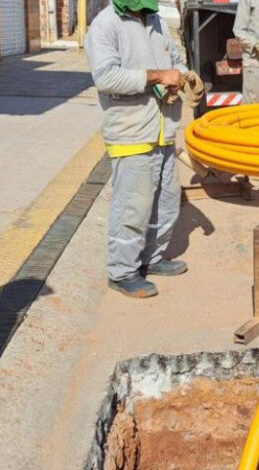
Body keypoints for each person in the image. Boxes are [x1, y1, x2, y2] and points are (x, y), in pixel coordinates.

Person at [85, 0, 202, 298]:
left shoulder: (155, 21)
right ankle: (123, 272)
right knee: (132, 207)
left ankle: (152, 257)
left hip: (163, 130)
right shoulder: (106, 24)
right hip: (132, 132)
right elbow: (106, 77)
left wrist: (183, 75)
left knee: (166, 201)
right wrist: (158, 76)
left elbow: (173, 59)